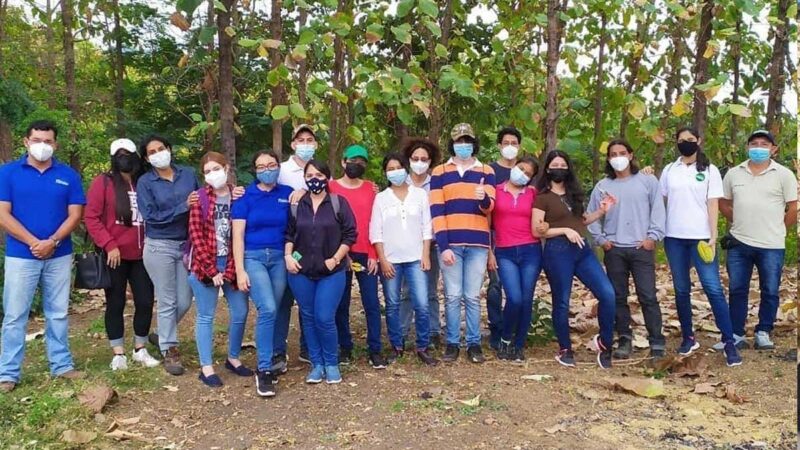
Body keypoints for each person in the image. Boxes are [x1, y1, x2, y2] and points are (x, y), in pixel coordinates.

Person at [0, 120, 86, 392]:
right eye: (37, 140)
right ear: (26, 142)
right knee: (15, 315)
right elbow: (2, 213)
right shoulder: (8, 173)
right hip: (20, 256)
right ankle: (8, 373)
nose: (42, 146)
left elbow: (75, 214)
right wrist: (34, 242)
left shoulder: (68, 175)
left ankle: (61, 365)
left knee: (58, 312)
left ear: (55, 144)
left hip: (59, 255)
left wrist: (52, 241)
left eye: (48, 141)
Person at [659, 126, 742, 367]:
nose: (686, 143)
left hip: (701, 238)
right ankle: (688, 337)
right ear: (676, 143)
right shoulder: (669, 170)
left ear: (699, 141)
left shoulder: (709, 170)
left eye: (691, 139)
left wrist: (713, 236)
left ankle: (728, 342)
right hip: (674, 238)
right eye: (681, 140)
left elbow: (713, 204)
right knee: (681, 289)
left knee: (712, 288)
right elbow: (660, 198)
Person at [532, 150, 617, 369]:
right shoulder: (542, 197)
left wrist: (602, 210)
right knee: (562, 301)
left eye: (563, 164)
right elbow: (537, 230)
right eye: (555, 165)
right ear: (548, 169)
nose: (559, 168)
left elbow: (581, 220)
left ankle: (605, 343)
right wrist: (562, 231)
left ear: (568, 168)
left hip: (583, 250)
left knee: (607, 294)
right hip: (558, 252)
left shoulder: (574, 194)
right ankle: (565, 348)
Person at [587, 139, 667, 360]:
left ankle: (657, 341)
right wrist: (601, 240)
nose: (618, 158)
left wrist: (653, 237)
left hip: (641, 247)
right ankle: (624, 338)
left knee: (648, 295)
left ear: (631, 155)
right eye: (613, 154)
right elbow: (591, 215)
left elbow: (658, 210)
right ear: (608, 159)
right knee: (618, 296)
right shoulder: (603, 186)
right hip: (614, 249)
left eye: (622, 153)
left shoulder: (648, 181)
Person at [85, 138, 160, 371]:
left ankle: (140, 348)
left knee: (146, 301)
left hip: (143, 254)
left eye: (128, 153)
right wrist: (109, 244)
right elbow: (91, 217)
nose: (124, 157)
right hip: (114, 254)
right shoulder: (103, 183)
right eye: (119, 154)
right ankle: (118, 352)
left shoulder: (145, 183)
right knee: (115, 302)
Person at [719, 130, 797, 350]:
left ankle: (764, 331)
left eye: (764, 144)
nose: (759, 147)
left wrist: (780, 227)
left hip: (771, 244)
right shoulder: (734, 173)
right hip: (739, 242)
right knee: (737, 289)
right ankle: (735, 334)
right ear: (747, 148)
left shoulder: (784, 175)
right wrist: (740, 221)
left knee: (770, 289)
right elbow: (724, 203)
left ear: (774, 149)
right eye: (754, 144)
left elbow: (793, 207)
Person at [285, 159, 357, 384]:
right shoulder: (298, 204)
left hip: (332, 271)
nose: (314, 179)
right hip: (301, 271)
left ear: (327, 177)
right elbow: (289, 233)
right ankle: (316, 364)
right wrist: (288, 256)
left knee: (324, 317)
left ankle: (331, 363)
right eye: (309, 175)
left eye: (318, 175)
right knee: (308, 317)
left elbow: (350, 234)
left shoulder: (337, 203)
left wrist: (335, 259)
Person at [430, 123, 496, 364]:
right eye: (459, 141)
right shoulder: (440, 172)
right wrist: (444, 245)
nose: (463, 145)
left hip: (478, 243)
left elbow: (490, 208)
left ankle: (474, 343)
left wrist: (484, 198)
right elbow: (437, 210)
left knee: (471, 296)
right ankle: (452, 343)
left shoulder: (486, 170)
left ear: (474, 143)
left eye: (467, 140)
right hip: (451, 243)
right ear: (452, 143)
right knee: (452, 295)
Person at [187, 152, 251, 388]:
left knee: (241, 311)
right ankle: (206, 367)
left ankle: (233, 357)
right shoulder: (199, 199)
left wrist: (233, 268)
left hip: (233, 263)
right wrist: (211, 269)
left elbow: (242, 233)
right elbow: (195, 236)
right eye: (207, 171)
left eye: (216, 168)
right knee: (206, 315)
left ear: (226, 168)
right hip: (205, 265)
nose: (213, 174)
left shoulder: (238, 196)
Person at [136, 134, 199, 375]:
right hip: (159, 246)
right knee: (167, 299)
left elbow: (201, 201)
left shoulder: (188, 174)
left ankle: (162, 334)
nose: (158, 154)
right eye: (152, 152)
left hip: (186, 245)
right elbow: (151, 217)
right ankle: (169, 350)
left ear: (170, 149)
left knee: (184, 299)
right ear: (146, 158)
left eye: (161, 148)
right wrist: (184, 206)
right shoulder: (145, 182)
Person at [232, 150, 293, 397]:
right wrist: (239, 271)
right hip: (253, 258)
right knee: (267, 308)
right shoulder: (245, 196)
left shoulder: (287, 194)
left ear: (278, 166)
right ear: (254, 170)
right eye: (260, 166)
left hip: (279, 257)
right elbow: (237, 236)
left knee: (277, 309)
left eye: (271, 164)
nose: (266, 169)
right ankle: (264, 369)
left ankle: (277, 355)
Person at [370, 152, 438, 366]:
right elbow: (376, 232)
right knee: (392, 304)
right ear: (385, 173)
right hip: (391, 260)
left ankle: (423, 346)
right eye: (389, 169)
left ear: (405, 168)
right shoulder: (381, 198)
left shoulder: (419, 195)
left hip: (416, 258)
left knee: (422, 303)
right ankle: (396, 346)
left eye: (397, 167)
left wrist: (426, 254)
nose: (395, 172)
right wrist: (383, 260)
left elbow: (427, 227)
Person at [328, 145, 387, 368]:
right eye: (353, 160)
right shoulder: (330, 187)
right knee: (340, 303)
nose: (357, 165)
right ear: (343, 162)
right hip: (341, 252)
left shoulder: (371, 191)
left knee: (371, 302)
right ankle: (345, 347)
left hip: (366, 252)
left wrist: (374, 254)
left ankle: (375, 349)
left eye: (362, 162)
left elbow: (375, 223)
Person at [273, 124, 316, 371]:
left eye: (310, 140)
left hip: (310, 246)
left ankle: (308, 348)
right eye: (301, 140)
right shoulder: (281, 171)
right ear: (292, 144)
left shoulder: (319, 172)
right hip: (283, 243)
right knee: (283, 300)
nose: (305, 144)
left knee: (307, 299)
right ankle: (278, 351)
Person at [492, 156, 543, 362]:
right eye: (521, 168)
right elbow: (487, 222)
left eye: (528, 173)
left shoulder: (533, 194)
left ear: (531, 179)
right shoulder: (495, 190)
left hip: (530, 250)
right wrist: (489, 252)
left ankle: (519, 344)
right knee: (514, 297)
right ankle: (505, 338)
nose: (523, 173)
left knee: (526, 298)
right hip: (504, 251)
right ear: (514, 166)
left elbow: (543, 218)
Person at [398, 138, 443, 349]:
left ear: (430, 161)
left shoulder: (437, 184)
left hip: (431, 245)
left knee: (431, 290)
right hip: (406, 245)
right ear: (408, 160)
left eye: (423, 159)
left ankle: (433, 331)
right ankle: (402, 331)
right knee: (406, 291)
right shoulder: (399, 182)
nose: (419, 162)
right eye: (415, 158)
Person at [486, 126, 523, 352]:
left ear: (519, 146)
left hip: (520, 237)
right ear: (499, 146)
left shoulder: (525, 171)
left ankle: (515, 329)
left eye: (514, 143)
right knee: (495, 284)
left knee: (517, 288)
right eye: (506, 143)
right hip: (493, 236)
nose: (510, 147)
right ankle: (496, 329)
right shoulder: (489, 171)